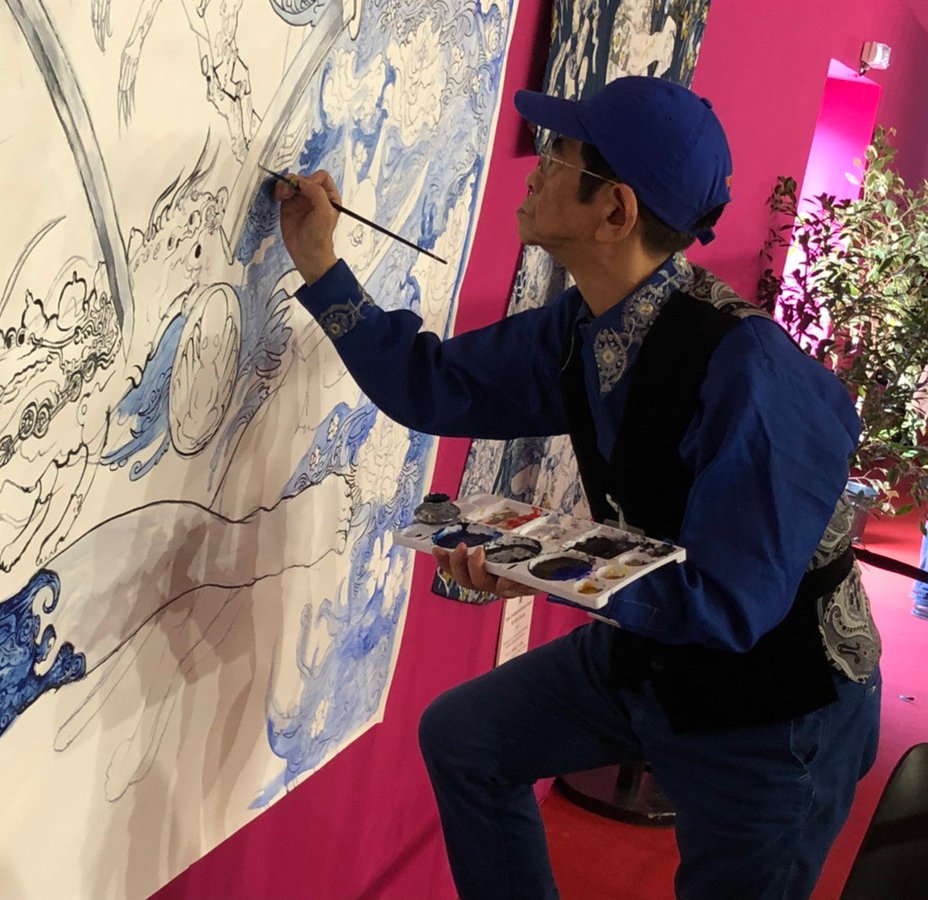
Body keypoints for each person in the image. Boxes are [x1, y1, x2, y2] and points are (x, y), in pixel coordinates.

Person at [273, 76, 882, 900]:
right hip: (654, 653)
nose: (535, 169)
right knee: (466, 739)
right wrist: (320, 264)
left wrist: (540, 563)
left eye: (557, 154)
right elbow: (435, 387)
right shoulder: (588, 323)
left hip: (774, 707)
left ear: (615, 211)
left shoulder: (753, 375)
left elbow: (731, 606)